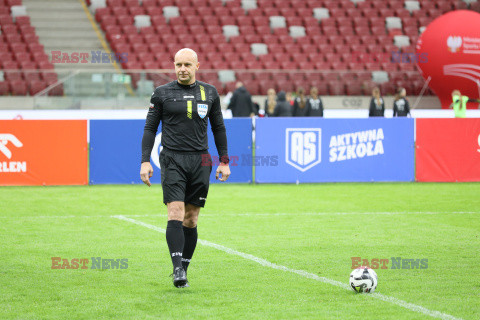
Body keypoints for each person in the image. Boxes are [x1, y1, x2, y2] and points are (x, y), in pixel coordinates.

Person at [140, 48, 231, 288]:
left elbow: (218, 128)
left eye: (187, 65)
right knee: (175, 212)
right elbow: (150, 129)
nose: (182, 69)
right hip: (172, 159)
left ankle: (184, 269)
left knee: (191, 219)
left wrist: (224, 161)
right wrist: (145, 161)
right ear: (174, 66)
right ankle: (177, 268)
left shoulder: (209, 93)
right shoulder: (161, 93)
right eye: (178, 64)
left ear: (196, 66)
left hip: (201, 160)